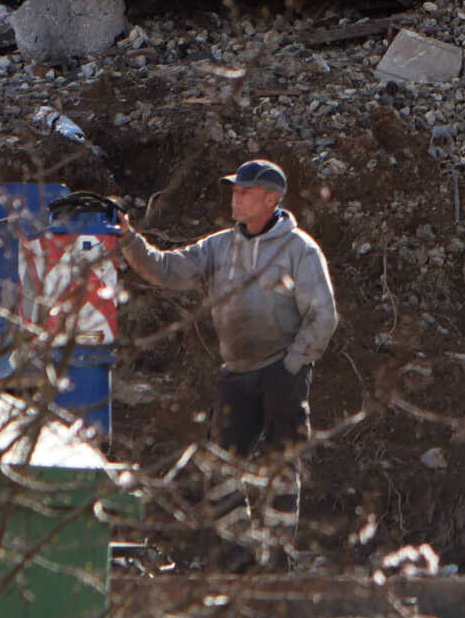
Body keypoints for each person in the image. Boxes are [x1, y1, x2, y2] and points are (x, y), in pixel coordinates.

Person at [117, 158, 337, 457]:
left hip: (283, 372)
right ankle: (235, 508)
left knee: (282, 468)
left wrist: (293, 364)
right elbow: (168, 269)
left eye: (245, 192)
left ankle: (281, 508)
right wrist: (129, 240)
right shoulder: (219, 246)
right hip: (237, 372)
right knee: (220, 469)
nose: (236, 198)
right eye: (235, 191)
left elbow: (322, 315)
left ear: (271, 198)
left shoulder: (300, 250)